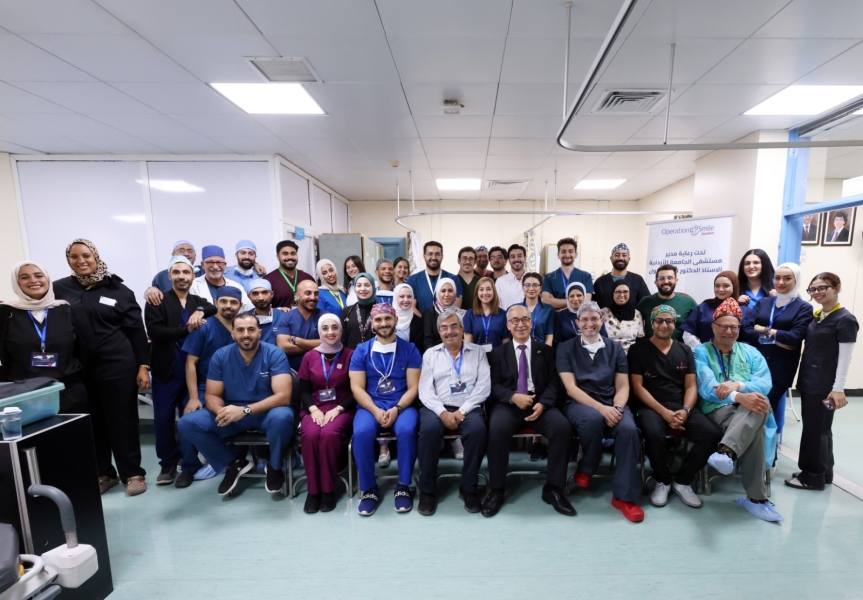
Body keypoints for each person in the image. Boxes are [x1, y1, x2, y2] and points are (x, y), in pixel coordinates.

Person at [54, 239, 150, 496]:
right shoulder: (59, 289)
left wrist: (143, 366)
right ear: (68, 260)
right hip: (79, 369)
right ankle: (104, 474)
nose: (81, 260)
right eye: (74, 256)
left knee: (122, 421)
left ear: (95, 257)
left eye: (86, 255)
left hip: (118, 366)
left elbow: (136, 330)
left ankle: (133, 473)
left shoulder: (118, 289)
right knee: (92, 422)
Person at [178, 313, 294, 497]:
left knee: (284, 416)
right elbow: (212, 395)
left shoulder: (274, 354)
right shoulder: (221, 355)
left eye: (251, 329)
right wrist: (222, 411)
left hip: (266, 413)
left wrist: (246, 410)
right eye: (240, 330)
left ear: (259, 332)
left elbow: (283, 397)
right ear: (232, 334)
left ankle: (275, 466)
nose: (246, 334)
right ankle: (232, 463)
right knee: (187, 423)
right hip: (233, 414)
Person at [694, 298, 783, 522]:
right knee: (757, 416)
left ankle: (726, 453)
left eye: (733, 327)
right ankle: (756, 500)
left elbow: (765, 383)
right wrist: (739, 396)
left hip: (749, 408)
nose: (728, 331)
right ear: (713, 327)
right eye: (723, 326)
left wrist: (739, 385)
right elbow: (707, 387)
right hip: (718, 408)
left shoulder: (751, 352)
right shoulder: (700, 352)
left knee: (759, 405)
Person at [482, 305, 575, 518]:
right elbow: (493, 385)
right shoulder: (498, 353)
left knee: (562, 428)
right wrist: (513, 397)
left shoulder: (547, 351)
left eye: (525, 319)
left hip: (539, 403)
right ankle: (496, 490)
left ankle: (553, 489)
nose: (520, 324)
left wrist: (543, 403)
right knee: (496, 429)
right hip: (509, 404)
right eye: (515, 320)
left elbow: (554, 383)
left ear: (532, 323)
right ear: (508, 325)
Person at [557, 301, 643, 523]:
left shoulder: (615, 348)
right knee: (593, 419)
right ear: (577, 323)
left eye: (594, 318)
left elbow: (623, 386)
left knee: (628, 430)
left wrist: (617, 408)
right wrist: (602, 409)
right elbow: (571, 388)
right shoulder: (565, 348)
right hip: (579, 403)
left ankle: (624, 498)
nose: (590, 323)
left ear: (601, 321)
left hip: (612, 402)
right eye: (584, 319)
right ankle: (588, 465)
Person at [629, 305, 722, 508]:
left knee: (712, 433)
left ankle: (683, 481)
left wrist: (686, 411)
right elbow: (637, 387)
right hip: (650, 406)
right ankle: (662, 480)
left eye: (669, 321)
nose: (664, 325)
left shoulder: (685, 350)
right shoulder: (638, 350)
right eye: (659, 320)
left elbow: (691, 386)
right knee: (654, 433)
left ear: (674, 324)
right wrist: (664, 412)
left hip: (680, 406)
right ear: (651, 323)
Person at [143, 256, 214, 486]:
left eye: (186, 272)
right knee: (163, 419)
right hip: (167, 370)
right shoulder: (157, 300)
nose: (181, 276)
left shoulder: (197, 301)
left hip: (192, 372)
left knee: (188, 417)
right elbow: (156, 332)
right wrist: (186, 330)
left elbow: (213, 307)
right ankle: (168, 462)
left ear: (193, 276)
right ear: (169, 276)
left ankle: (189, 461)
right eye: (176, 272)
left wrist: (200, 310)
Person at [349, 303, 422, 516]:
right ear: (372, 323)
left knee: (407, 431)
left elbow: (414, 387)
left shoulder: (410, 349)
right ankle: (369, 490)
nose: (383, 323)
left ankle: (403, 486)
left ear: (395, 320)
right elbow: (356, 387)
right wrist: (373, 409)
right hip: (371, 405)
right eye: (378, 319)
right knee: (361, 433)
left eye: (387, 318)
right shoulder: (362, 351)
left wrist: (397, 408)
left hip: (402, 404)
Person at [786, 273, 857, 491]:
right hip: (810, 383)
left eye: (822, 288)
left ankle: (812, 476)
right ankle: (824, 472)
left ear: (837, 287)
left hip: (824, 388)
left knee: (815, 431)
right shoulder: (818, 316)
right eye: (813, 289)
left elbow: (845, 358)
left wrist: (838, 389)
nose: (817, 293)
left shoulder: (845, 319)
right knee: (822, 428)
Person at [416, 311, 490, 516]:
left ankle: (468, 487)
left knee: (477, 431)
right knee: (428, 431)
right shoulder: (430, 354)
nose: (450, 331)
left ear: (462, 329)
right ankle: (427, 490)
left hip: (469, 406)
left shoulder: (478, 352)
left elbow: (483, 386)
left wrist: (462, 410)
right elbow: (425, 391)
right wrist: (442, 413)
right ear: (439, 332)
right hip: (437, 407)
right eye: (444, 328)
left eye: (454, 326)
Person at [0, 262, 87, 414]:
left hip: (68, 391)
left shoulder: (66, 309)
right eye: (24, 277)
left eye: (39, 275)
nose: (33, 280)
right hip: (24, 395)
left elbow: (84, 349)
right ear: (16, 282)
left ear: (47, 279)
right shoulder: (5, 312)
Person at [180, 286, 241, 485]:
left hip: (235, 387)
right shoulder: (204, 327)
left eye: (233, 302)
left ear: (240, 306)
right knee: (189, 416)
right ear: (216, 303)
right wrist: (194, 398)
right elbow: (190, 363)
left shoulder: (242, 328)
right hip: (205, 386)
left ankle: (226, 459)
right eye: (224, 301)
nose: (228, 306)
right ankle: (189, 466)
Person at [742, 263, 813, 426]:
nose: (781, 282)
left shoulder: (803, 308)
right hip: (754, 364)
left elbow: (795, 337)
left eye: (787, 278)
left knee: (766, 408)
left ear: (796, 280)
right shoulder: (764, 302)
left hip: (781, 367)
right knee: (749, 407)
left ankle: (768, 442)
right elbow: (746, 329)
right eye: (777, 278)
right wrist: (774, 337)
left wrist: (762, 329)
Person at [297, 313, 355, 513]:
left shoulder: (351, 355)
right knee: (311, 434)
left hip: (342, 408)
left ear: (341, 330)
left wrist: (339, 409)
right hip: (314, 408)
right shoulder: (309, 357)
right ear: (319, 331)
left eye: (334, 327)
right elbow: (303, 390)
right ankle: (313, 492)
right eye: (325, 328)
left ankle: (328, 490)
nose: (330, 332)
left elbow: (357, 390)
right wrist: (313, 409)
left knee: (329, 434)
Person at [681, 271, 748, 349]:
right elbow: (688, 334)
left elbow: (748, 338)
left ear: (735, 286)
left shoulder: (744, 310)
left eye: (726, 286)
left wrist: (734, 352)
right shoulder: (703, 307)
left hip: (736, 354)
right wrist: (702, 351)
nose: (720, 289)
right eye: (717, 286)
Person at [636, 264, 696, 340]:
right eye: (661, 278)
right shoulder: (645, 302)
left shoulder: (688, 302)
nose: (666, 281)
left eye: (670, 278)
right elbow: (635, 325)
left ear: (676, 281)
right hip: (650, 346)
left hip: (680, 347)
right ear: (656, 282)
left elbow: (697, 329)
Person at [189, 245, 253, 313]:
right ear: (202, 265)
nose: (215, 267)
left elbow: (249, 309)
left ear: (225, 265)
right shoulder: (193, 286)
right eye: (210, 262)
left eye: (219, 262)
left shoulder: (236, 286)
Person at [276, 280, 322, 372]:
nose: (313, 297)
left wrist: (297, 341)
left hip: (320, 370)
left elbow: (330, 343)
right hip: (293, 371)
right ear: (297, 296)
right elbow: (283, 347)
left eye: (316, 294)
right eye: (308, 293)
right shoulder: (287, 318)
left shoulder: (325, 316)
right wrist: (317, 346)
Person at [406, 241, 463, 313]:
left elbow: (456, 308)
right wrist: (426, 319)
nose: (433, 257)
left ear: (442, 256)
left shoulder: (453, 279)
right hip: (421, 319)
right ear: (424, 256)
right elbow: (412, 307)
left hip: (447, 319)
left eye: (437, 254)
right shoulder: (413, 280)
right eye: (430, 254)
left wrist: (443, 320)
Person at [592, 243, 651, 310]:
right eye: (617, 255)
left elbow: (646, 304)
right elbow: (593, 307)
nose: (620, 258)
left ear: (629, 258)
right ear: (611, 258)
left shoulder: (638, 280)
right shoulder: (600, 282)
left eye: (624, 255)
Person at [541, 238, 594, 310]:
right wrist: (576, 302)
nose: (567, 255)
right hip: (555, 317)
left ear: (576, 254)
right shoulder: (548, 278)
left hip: (578, 316)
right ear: (558, 255)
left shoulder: (586, 277)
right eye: (563, 252)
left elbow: (586, 302)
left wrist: (556, 303)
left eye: (570, 251)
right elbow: (546, 301)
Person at [263, 240, 314, 309]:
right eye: (285, 254)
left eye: (293, 253)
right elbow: (262, 308)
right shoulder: (268, 280)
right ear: (278, 257)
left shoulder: (307, 278)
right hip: (281, 316)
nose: (290, 257)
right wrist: (278, 310)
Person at [553, 282, 607, 346]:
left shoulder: (594, 314)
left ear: (584, 297)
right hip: (568, 350)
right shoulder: (560, 316)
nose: (575, 299)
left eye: (579, 295)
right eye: (571, 296)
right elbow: (557, 343)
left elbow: (604, 338)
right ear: (567, 298)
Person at [463, 277, 510, 351]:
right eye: (481, 289)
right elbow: (469, 345)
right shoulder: (469, 315)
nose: (485, 293)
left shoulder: (503, 315)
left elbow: (506, 345)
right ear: (477, 292)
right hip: (476, 356)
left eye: (488, 289)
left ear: (494, 291)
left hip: (498, 357)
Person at [600, 281, 644, 351]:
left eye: (625, 292)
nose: (622, 295)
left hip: (632, 353)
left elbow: (640, 339)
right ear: (612, 293)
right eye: (618, 292)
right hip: (609, 352)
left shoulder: (637, 314)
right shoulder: (602, 313)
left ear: (629, 293)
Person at [422, 278, 464, 350]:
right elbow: (428, 341)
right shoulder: (429, 313)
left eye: (450, 291)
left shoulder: (462, 314)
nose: (446, 294)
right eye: (443, 291)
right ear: (438, 293)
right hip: (436, 353)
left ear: (455, 294)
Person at [341, 273, 377, 349]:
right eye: (359, 285)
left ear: (373, 287)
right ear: (355, 288)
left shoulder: (381, 311)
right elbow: (342, 340)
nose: (362, 289)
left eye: (367, 285)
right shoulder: (347, 312)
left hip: (375, 354)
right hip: (352, 355)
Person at [245, 279, 285, 346]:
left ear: (272, 294)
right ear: (249, 297)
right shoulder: (244, 318)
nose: (261, 298)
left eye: (264, 293)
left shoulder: (283, 317)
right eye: (255, 293)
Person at [519, 272, 554, 345]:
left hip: (541, 348)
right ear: (522, 287)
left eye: (535, 285)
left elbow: (549, 337)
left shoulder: (548, 309)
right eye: (527, 285)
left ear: (540, 288)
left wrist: (544, 351)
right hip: (520, 347)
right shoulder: (515, 309)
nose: (531, 288)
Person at [495, 244, 528, 310]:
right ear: (509, 260)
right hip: (507, 316)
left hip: (531, 316)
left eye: (519, 256)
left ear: (525, 258)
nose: (516, 259)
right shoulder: (500, 282)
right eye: (513, 257)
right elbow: (496, 306)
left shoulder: (533, 279)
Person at [393, 283, 424, 351]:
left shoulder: (418, 322)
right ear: (395, 298)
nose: (406, 300)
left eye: (409, 296)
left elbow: (418, 348)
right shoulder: (387, 318)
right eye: (402, 296)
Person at [455, 246, 480, 311]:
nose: (467, 262)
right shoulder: (453, 281)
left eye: (471, 259)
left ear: (475, 262)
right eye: (464, 258)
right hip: (457, 316)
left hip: (477, 316)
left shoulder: (481, 281)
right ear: (459, 261)